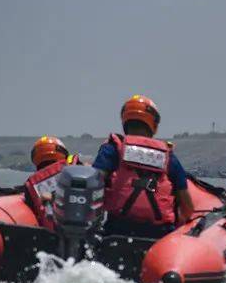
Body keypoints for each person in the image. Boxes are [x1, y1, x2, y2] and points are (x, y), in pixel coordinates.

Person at [93, 95, 194, 238]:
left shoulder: (113, 149)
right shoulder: (168, 157)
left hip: (117, 230)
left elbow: (93, 181)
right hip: (160, 237)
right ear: (154, 124)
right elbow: (188, 208)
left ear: (125, 121)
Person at [23, 136, 81, 229]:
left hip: (52, 232)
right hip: (80, 225)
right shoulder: (74, 167)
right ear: (61, 152)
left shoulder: (30, 185)